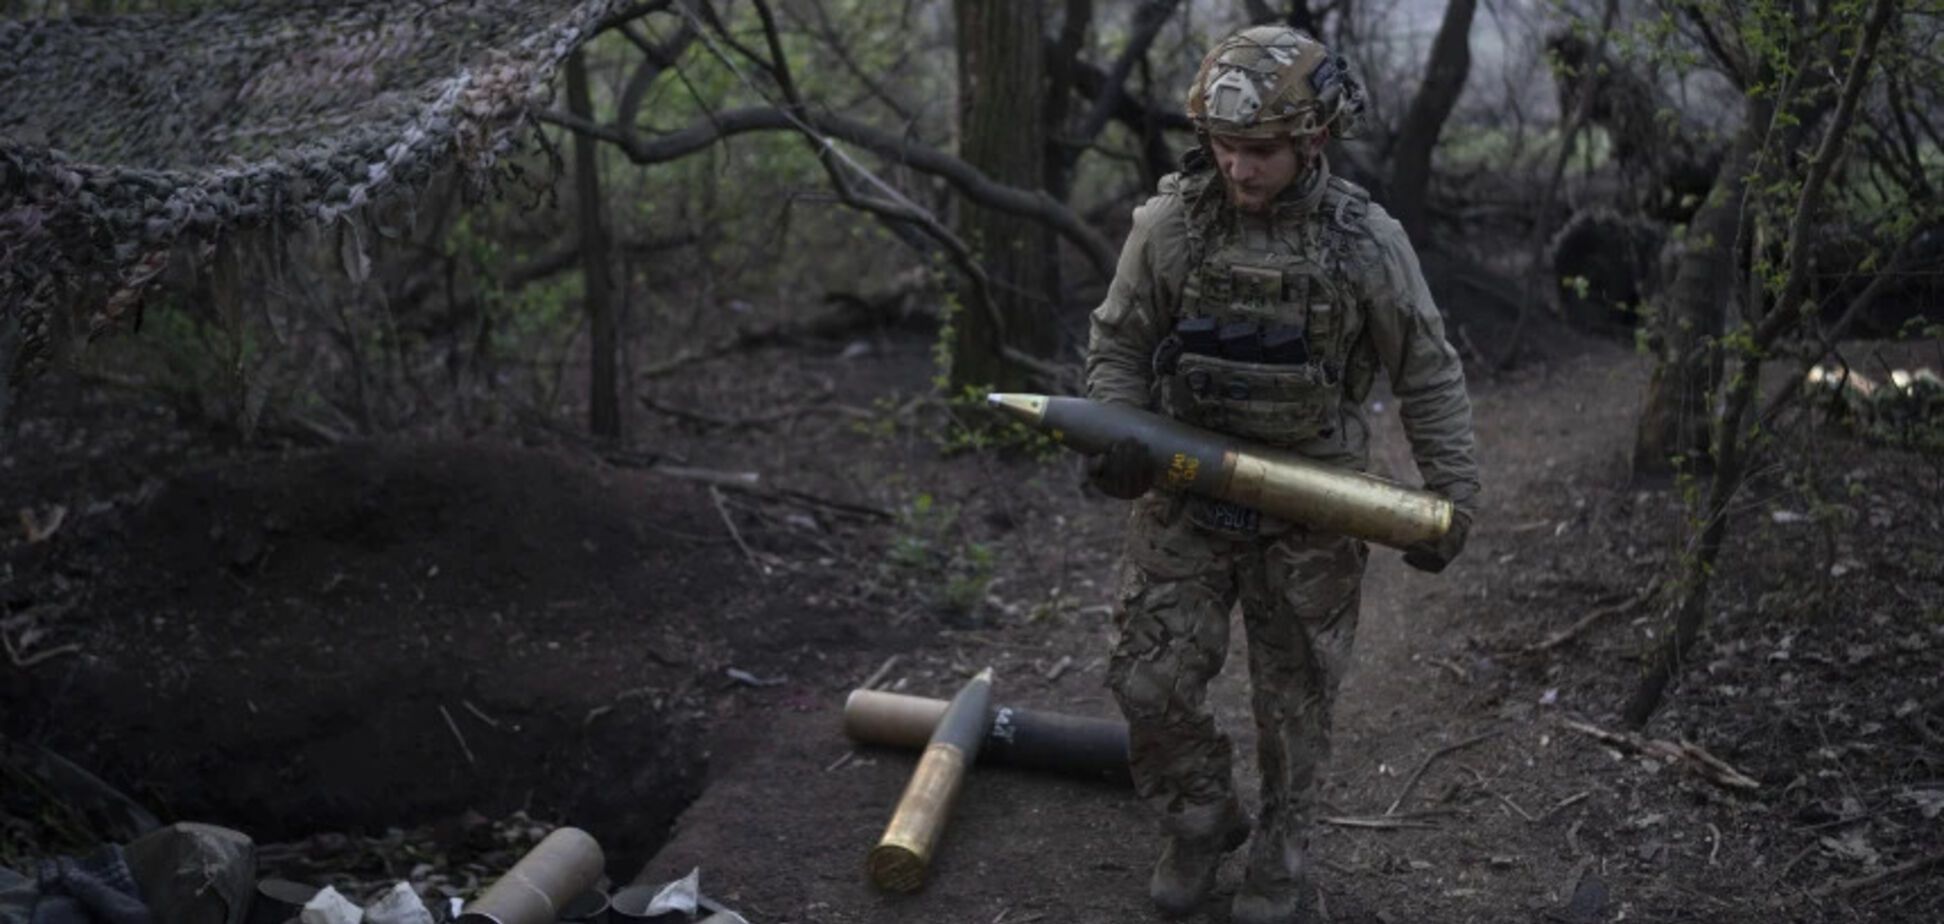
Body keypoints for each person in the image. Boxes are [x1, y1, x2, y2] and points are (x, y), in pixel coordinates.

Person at [1083, 24, 1481, 923]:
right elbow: (1119, 341)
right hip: (1186, 488)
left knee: (1295, 705)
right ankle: (1198, 820)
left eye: (1259, 150)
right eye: (1223, 147)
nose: (1238, 168)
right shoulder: (1169, 228)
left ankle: (1282, 850)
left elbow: (1426, 366)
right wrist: (1114, 431)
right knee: (1147, 679)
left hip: (1312, 504)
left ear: (1313, 141)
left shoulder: (1365, 245)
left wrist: (1453, 495)